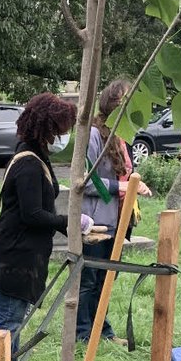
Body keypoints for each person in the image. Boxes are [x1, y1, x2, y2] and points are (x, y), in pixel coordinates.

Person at [0, 92, 84, 361]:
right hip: (14, 254)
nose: (63, 137)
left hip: (24, 252)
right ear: (47, 127)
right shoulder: (28, 163)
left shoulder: (37, 154)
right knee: (8, 321)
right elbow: (31, 214)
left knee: (16, 318)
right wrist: (67, 222)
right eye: (60, 130)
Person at [78, 80, 153, 343]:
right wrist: (122, 186)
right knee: (89, 281)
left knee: (106, 280)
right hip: (97, 222)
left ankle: (103, 331)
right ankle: (83, 334)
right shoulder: (94, 135)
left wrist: (135, 184)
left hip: (119, 223)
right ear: (111, 104)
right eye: (124, 100)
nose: (130, 105)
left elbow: (126, 174)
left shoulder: (122, 137)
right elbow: (87, 181)